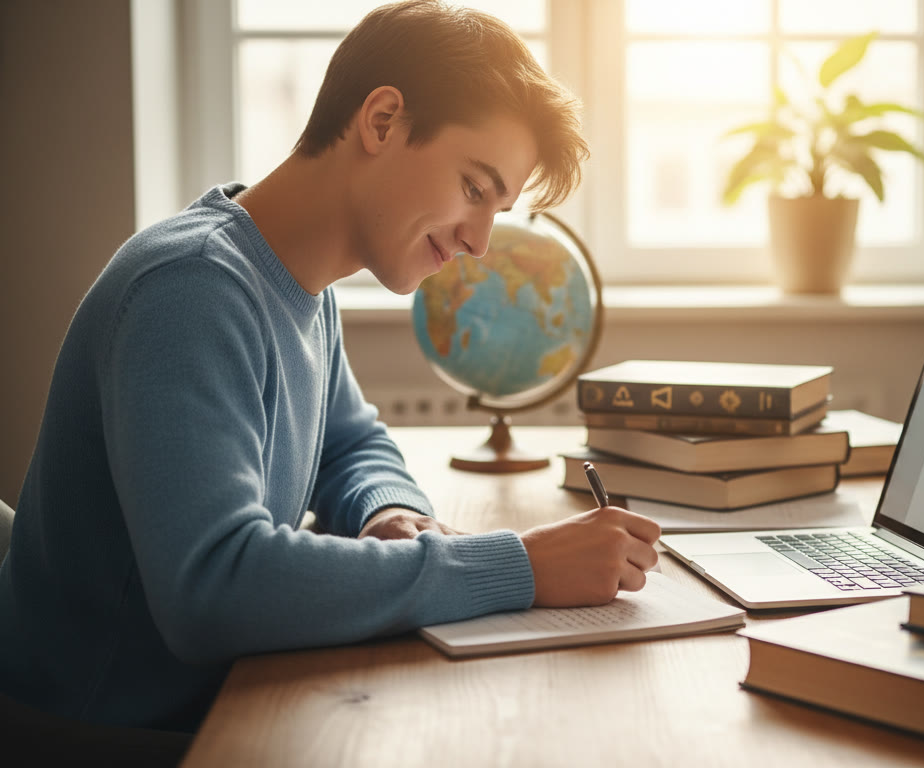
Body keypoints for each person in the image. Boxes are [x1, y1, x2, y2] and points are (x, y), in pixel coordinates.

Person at [0, 0, 659, 740]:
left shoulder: (301, 285)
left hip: (215, 708)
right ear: (382, 121)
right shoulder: (189, 291)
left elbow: (351, 444)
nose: (479, 241)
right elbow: (213, 589)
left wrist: (386, 511)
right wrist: (519, 567)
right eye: (475, 189)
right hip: (108, 739)